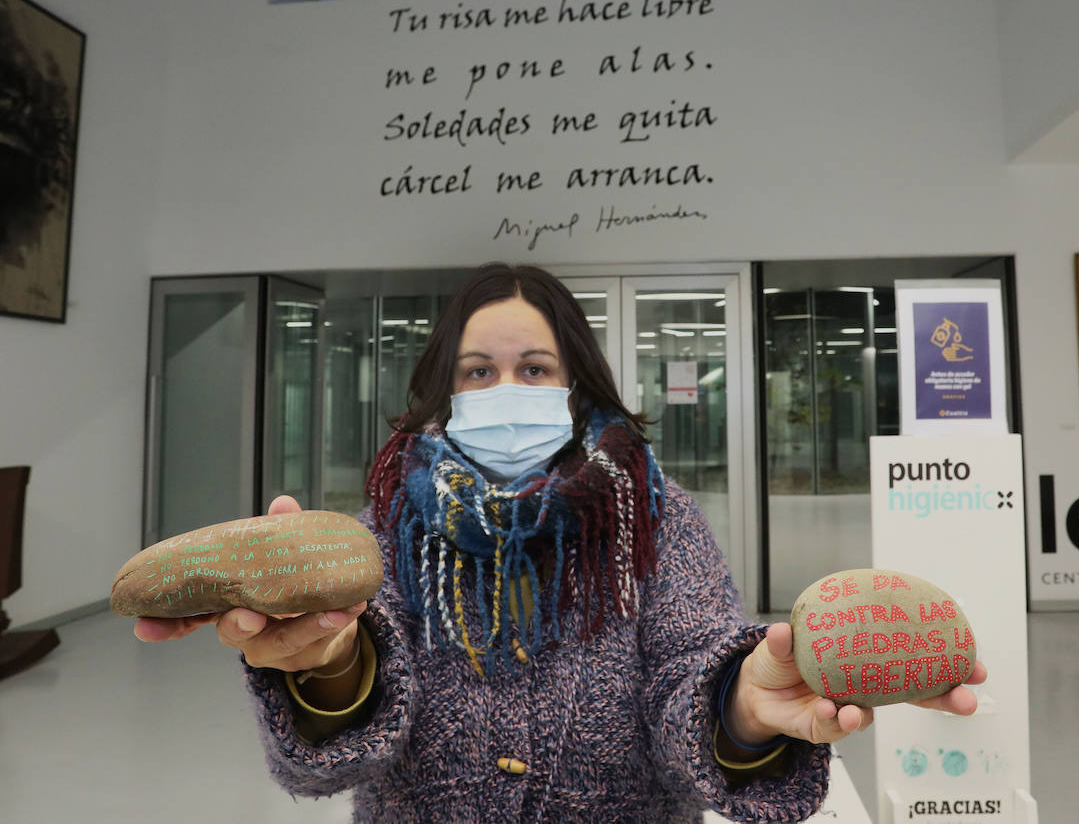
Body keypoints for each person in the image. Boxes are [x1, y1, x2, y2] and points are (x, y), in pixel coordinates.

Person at [135, 262, 987, 823]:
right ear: (443, 389)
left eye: (534, 368)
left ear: (575, 384)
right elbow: (333, 756)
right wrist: (322, 662)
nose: (506, 388)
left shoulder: (657, 517)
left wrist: (743, 708)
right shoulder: (387, 529)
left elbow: (694, 663)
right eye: (478, 371)